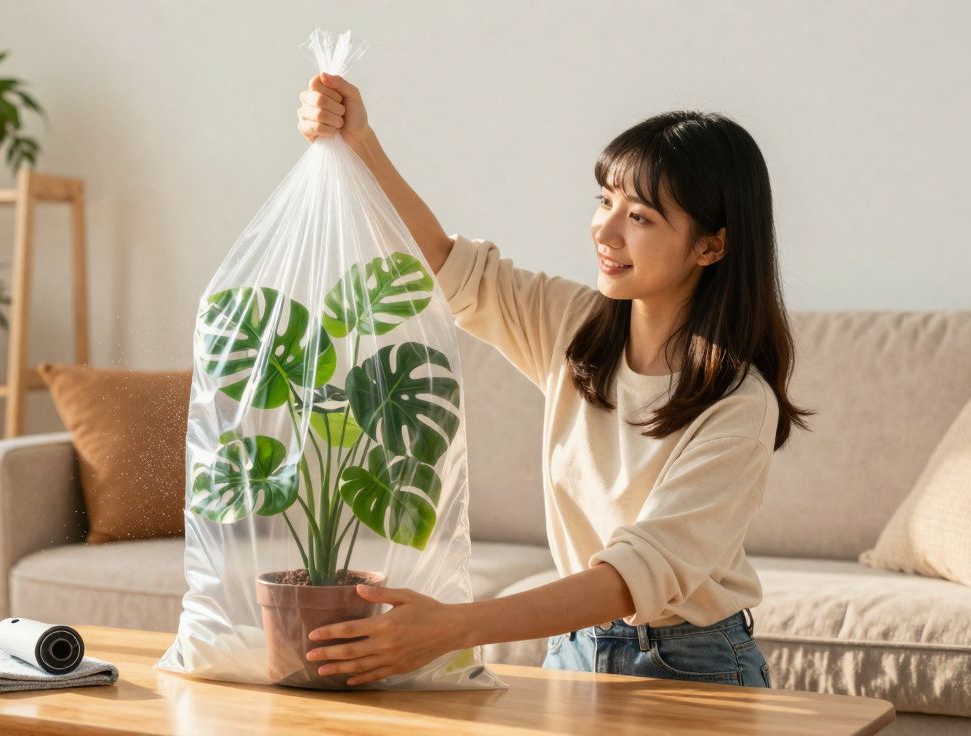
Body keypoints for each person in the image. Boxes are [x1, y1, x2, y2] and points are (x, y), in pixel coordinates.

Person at [298, 71, 811, 688]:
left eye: (641, 217)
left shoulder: (737, 404)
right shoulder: (575, 327)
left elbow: (634, 574)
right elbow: (444, 264)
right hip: (574, 650)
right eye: (604, 201)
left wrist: (455, 626)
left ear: (711, 246)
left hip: (693, 663)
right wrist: (361, 144)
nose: (605, 229)